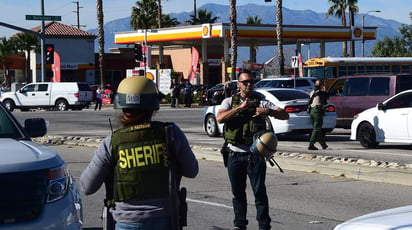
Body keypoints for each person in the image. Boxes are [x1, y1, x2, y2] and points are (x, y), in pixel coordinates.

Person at [80, 76, 199, 230]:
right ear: (153, 107)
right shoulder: (170, 133)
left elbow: (87, 187)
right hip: (167, 220)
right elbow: (192, 171)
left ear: (121, 106)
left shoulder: (112, 142)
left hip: (126, 223)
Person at [216, 69, 289, 230]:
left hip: (255, 155)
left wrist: (268, 111)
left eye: (251, 82)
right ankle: (239, 224)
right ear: (239, 84)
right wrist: (239, 108)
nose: (249, 85)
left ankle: (264, 225)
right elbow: (220, 118)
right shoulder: (229, 102)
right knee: (238, 193)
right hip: (234, 154)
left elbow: (285, 115)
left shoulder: (261, 101)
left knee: (259, 192)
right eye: (245, 82)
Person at [308, 79, 329, 150]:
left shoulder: (312, 92)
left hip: (312, 110)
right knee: (317, 128)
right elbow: (324, 102)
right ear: (321, 86)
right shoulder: (321, 93)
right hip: (317, 111)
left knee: (317, 128)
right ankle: (311, 144)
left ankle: (323, 144)